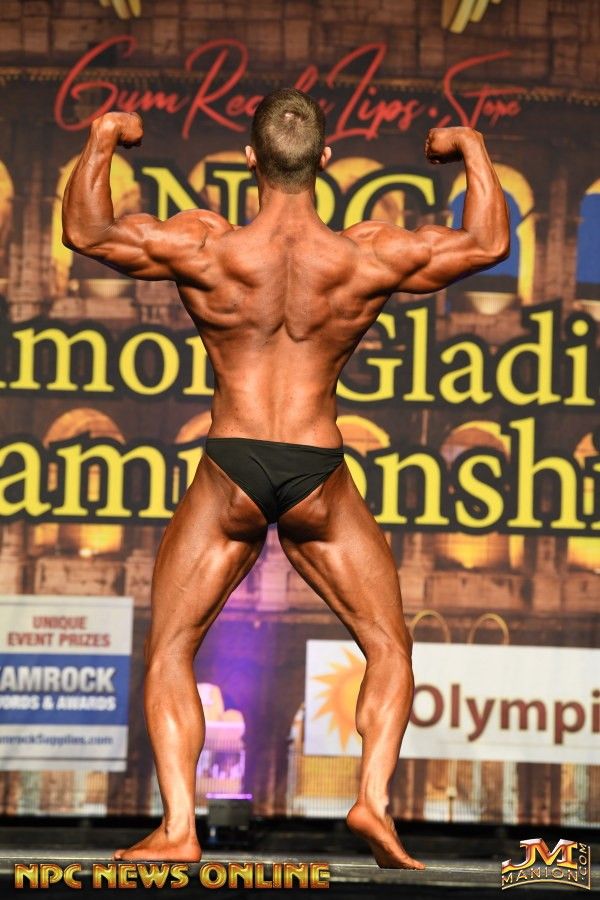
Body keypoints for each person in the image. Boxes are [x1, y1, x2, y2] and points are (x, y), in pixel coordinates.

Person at [62, 88, 509, 867]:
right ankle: (372, 799)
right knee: (389, 647)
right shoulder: (364, 256)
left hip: (231, 465)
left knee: (171, 650)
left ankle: (179, 828)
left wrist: (104, 137)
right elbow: (485, 243)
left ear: (250, 160)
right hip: (316, 471)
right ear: (325, 161)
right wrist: (470, 146)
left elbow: (87, 230)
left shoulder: (209, 247)